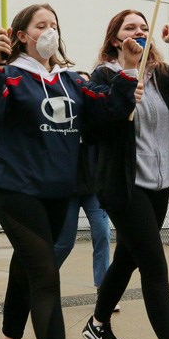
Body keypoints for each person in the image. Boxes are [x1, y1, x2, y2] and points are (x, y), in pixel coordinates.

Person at [0, 3, 141, 339]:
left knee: (23, 273)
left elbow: (109, 110)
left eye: (54, 24)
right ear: (21, 35)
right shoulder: (9, 75)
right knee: (46, 278)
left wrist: (128, 72)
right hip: (16, 192)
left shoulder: (72, 80)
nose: (49, 32)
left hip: (59, 195)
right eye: (40, 25)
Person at [84, 9, 169, 339]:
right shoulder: (102, 76)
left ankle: (97, 324)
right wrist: (128, 73)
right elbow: (101, 123)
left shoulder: (160, 76)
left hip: (159, 185)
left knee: (128, 257)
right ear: (116, 39)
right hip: (124, 186)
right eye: (131, 28)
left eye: (145, 28)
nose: (140, 32)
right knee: (154, 267)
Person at [53, 72, 115, 306]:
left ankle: (103, 290)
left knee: (102, 234)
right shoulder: (61, 117)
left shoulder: (96, 118)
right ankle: (42, 280)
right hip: (68, 191)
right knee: (64, 242)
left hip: (93, 191)